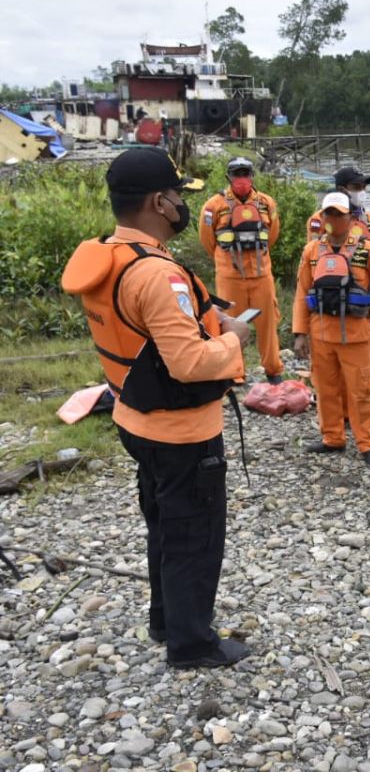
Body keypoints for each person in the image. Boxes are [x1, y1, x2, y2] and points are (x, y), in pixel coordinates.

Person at [61, 148, 251, 668]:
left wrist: (207, 314)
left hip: (133, 417)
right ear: (158, 202)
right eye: (176, 196)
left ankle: (166, 620)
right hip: (181, 429)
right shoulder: (157, 275)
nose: (180, 205)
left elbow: (146, 333)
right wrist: (236, 340)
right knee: (194, 534)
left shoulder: (108, 255)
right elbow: (189, 363)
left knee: (164, 523)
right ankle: (192, 645)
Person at [293, 193, 370, 466]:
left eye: (339, 214)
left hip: (356, 334)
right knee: (325, 390)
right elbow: (303, 291)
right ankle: (332, 438)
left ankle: (367, 443)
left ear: (350, 217)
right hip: (321, 333)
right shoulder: (312, 251)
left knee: (361, 390)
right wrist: (300, 333)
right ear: (322, 217)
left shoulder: (368, 250)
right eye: (329, 214)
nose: (333, 219)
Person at [308, 167, 370, 427]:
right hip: (331, 298)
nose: (361, 192)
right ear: (342, 189)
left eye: (363, 187)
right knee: (334, 374)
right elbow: (315, 264)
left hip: (362, 308)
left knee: (369, 369)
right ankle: (342, 417)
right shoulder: (319, 222)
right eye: (356, 187)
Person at [199, 157, 283, 383]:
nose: (242, 179)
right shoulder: (213, 206)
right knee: (230, 324)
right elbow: (207, 240)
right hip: (230, 276)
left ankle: (273, 369)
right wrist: (223, 261)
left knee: (267, 324)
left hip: (261, 273)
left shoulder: (267, 204)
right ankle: (235, 372)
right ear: (229, 176)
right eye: (237, 174)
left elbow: (272, 235)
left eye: (245, 173)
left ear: (252, 175)